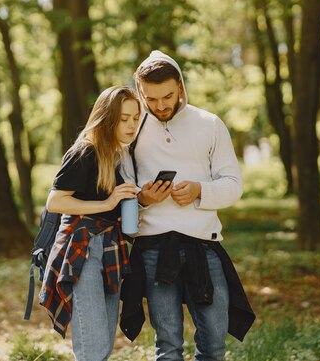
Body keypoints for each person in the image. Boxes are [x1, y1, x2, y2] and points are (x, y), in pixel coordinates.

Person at [119, 51, 256, 361]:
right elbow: (121, 192)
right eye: (151, 99)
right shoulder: (131, 128)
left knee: (214, 343)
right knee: (167, 346)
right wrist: (143, 198)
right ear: (141, 92)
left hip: (203, 246)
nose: (161, 105)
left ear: (180, 86)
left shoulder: (209, 124)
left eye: (167, 95)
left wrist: (199, 191)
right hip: (153, 247)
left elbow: (234, 186)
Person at [39, 85, 140, 361]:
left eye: (135, 118)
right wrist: (106, 205)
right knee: (93, 346)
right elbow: (55, 201)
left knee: (104, 342)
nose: (131, 125)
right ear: (108, 118)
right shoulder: (86, 150)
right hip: (82, 249)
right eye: (124, 119)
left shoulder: (121, 154)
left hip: (110, 248)